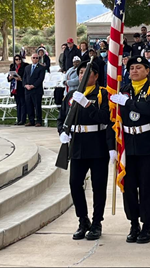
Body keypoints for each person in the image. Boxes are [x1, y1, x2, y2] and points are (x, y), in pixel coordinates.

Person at [110, 56, 150, 244]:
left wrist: (127, 103)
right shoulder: (124, 89)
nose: (134, 70)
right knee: (128, 188)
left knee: (147, 188)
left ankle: (147, 226)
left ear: (147, 70)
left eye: (138, 67)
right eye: (132, 67)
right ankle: (133, 223)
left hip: (148, 144)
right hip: (128, 145)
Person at [57, 60, 115, 241]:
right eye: (81, 72)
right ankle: (83, 220)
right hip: (77, 144)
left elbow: (105, 118)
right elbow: (61, 118)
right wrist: (62, 133)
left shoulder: (103, 94)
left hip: (97, 144)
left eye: (87, 72)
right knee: (75, 183)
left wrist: (88, 105)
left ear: (96, 76)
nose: (83, 75)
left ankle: (97, 222)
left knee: (98, 186)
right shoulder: (71, 95)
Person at [23, 53, 46, 127]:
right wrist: (26, 85)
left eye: (36, 58)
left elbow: (40, 79)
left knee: (37, 106)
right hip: (28, 90)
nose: (35, 59)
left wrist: (33, 86)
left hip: (36, 90)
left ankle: (39, 121)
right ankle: (31, 120)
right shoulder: (27, 67)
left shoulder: (41, 68)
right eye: (34, 58)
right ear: (31, 58)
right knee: (29, 106)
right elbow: (24, 78)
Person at [8, 54, 28, 125]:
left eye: (19, 59)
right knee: (18, 104)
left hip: (21, 87)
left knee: (23, 104)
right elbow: (9, 76)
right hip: (14, 87)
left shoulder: (24, 66)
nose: (18, 61)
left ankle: (23, 119)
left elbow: (26, 76)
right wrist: (9, 78)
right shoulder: (12, 66)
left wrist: (20, 79)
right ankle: (18, 119)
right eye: (16, 59)